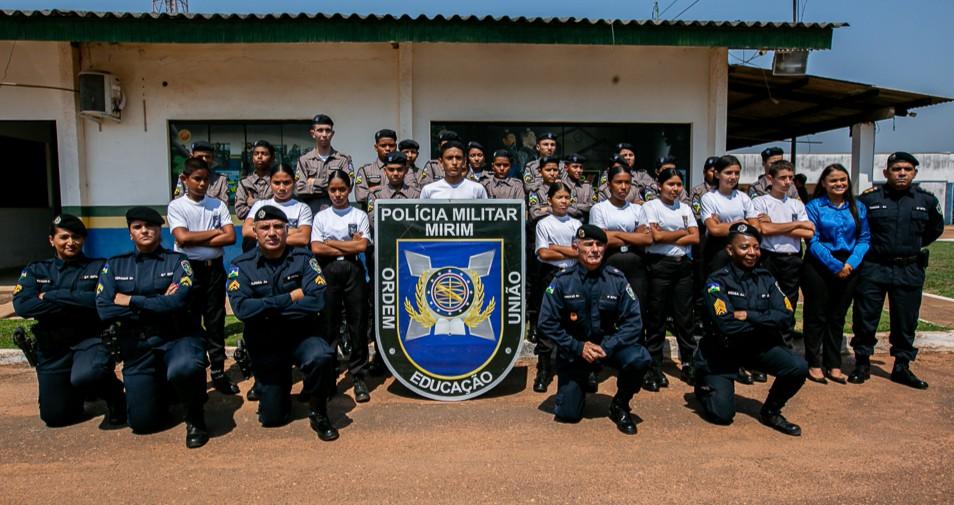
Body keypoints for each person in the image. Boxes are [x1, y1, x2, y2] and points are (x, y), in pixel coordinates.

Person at [96, 207, 210, 448]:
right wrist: (160, 300)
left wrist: (131, 300)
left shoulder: (179, 261)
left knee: (185, 368)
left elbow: (178, 302)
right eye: (138, 227)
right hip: (139, 345)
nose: (145, 231)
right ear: (130, 233)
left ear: (160, 230)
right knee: (142, 424)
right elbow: (105, 308)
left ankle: (195, 416)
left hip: (178, 337)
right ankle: (163, 394)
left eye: (150, 226)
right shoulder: (116, 266)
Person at [228, 205, 339, 440]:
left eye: (278, 226)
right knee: (272, 419)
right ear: (255, 232)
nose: (272, 232)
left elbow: (317, 301)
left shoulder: (304, 258)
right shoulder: (242, 265)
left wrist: (266, 307)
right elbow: (242, 309)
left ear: (287, 231)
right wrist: (290, 297)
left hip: (302, 335)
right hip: (266, 342)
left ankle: (318, 411)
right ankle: (274, 390)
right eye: (265, 227)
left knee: (321, 356)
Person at [12, 214, 126, 429]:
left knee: (88, 375)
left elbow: (101, 301)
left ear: (83, 240)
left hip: (89, 340)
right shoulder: (37, 270)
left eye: (76, 237)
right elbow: (23, 306)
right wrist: (79, 302)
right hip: (53, 349)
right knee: (55, 417)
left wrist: (52, 296)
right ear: (51, 240)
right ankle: (75, 393)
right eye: (64, 237)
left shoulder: (99, 267)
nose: (70, 242)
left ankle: (115, 397)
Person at [537, 224, 652, 435]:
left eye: (599, 244)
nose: (594, 249)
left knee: (639, 357)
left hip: (607, 347)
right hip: (575, 351)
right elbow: (545, 323)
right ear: (576, 247)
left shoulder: (616, 280)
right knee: (568, 414)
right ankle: (580, 383)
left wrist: (607, 346)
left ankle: (620, 404)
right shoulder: (562, 281)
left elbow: (634, 321)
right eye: (588, 244)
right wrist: (578, 347)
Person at [694, 223, 807, 436]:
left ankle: (771, 411)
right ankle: (703, 381)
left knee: (798, 367)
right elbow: (726, 324)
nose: (752, 253)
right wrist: (765, 318)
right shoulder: (717, 281)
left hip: (757, 347)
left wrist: (748, 314)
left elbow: (786, 315)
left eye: (756, 247)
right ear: (730, 250)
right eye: (744, 247)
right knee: (722, 416)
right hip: (723, 351)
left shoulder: (767, 279)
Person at [849, 152, 944, 388]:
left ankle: (902, 366)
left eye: (907, 169)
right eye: (896, 169)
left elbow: (935, 229)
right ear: (886, 173)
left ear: (914, 173)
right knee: (865, 316)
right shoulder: (869, 200)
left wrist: (910, 247)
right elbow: (857, 228)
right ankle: (862, 363)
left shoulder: (926, 201)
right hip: (874, 267)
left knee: (906, 319)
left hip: (909, 268)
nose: (902, 173)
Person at [167, 157, 238, 395]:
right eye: (197, 179)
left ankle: (218, 370)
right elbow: (182, 239)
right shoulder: (177, 206)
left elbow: (230, 237)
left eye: (206, 179)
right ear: (185, 179)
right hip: (188, 270)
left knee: (215, 320)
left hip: (214, 269)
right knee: (188, 320)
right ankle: (193, 369)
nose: (202, 184)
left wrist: (196, 235)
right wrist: (214, 232)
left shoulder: (217, 205)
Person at [802, 163, 869, 384]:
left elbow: (864, 239)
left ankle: (834, 364)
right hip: (819, 265)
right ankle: (813, 362)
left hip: (849, 266)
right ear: (824, 183)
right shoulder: (814, 206)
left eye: (843, 180)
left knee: (837, 316)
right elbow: (812, 240)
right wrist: (834, 265)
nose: (839, 184)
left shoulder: (857, 207)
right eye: (833, 180)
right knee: (816, 315)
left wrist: (850, 263)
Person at [310, 170, 373, 403]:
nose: (338, 194)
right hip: (327, 271)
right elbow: (317, 249)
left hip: (353, 270)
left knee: (357, 322)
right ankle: (329, 375)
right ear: (328, 191)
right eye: (333, 190)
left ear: (349, 190)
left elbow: (362, 247)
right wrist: (349, 244)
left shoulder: (359, 214)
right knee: (329, 323)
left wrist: (333, 242)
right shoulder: (321, 217)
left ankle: (358, 375)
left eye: (342, 189)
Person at [588, 165, 653, 386]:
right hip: (609, 265)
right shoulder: (599, 208)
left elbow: (647, 239)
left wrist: (614, 234)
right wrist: (631, 235)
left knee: (637, 314)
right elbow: (600, 241)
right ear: (609, 184)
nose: (623, 187)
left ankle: (638, 364)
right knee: (604, 314)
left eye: (627, 182)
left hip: (635, 267)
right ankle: (596, 364)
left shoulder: (637, 209)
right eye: (619, 182)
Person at [700, 155, 762, 384]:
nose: (733, 177)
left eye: (736, 173)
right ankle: (722, 362)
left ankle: (745, 362)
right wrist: (741, 225)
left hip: (742, 258)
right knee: (720, 307)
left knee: (742, 306)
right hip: (717, 256)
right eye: (728, 173)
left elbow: (756, 226)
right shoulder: (709, 198)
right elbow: (713, 230)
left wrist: (729, 226)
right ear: (717, 174)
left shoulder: (744, 198)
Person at [642, 168, 700, 385]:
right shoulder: (651, 207)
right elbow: (655, 237)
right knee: (656, 318)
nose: (675, 189)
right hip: (659, 266)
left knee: (684, 318)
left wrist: (669, 236)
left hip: (683, 266)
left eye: (678, 185)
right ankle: (654, 365)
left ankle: (688, 363)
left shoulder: (685, 208)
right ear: (659, 185)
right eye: (670, 185)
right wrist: (682, 233)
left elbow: (695, 238)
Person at [752, 160, 814, 347]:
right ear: (771, 178)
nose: (787, 182)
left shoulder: (796, 205)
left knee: (789, 303)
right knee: (764, 301)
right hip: (769, 257)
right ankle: (763, 347)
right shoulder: (760, 202)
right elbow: (763, 230)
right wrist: (795, 224)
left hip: (792, 259)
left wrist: (775, 225)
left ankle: (784, 344)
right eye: (782, 178)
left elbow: (809, 232)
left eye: (790, 178)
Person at [531, 182, 583, 393]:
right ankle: (544, 368)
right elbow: (543, 254)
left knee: (574, 320)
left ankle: (580, 369)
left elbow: (581, 252)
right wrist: (568, 250)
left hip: (573, 275)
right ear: (550, 200)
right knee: (548, 320)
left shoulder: (576, 224)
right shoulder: (544, 224)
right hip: (551, 274)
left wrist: (557, 248)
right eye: (559, 197)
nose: (563, 201)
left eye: (566, 197)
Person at [294, 114, 354, 214]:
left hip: (338, 211)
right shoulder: (304, 160)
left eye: (328, 130)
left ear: (333, 133)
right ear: (313, 133)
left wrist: (313, 181)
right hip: (311, 212)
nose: (324, 134)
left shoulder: (343, 160)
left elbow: (349, 185)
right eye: (320, 130)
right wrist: (333, 186)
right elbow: (299, 189)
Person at [243, 164, 313, 247]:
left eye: (286, 183)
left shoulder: (302, 208)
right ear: (270, 183)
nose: (282, 188)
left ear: (294, 183)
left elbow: (303, 238)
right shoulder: (260, 205)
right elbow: (246, 230)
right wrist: (293, 231)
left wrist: (265, 235)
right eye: (276, 183)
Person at [420, 141, 489, 199]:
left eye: (458, 158)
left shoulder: (477, 189)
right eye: (449, 158)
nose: (454, 162)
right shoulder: (428, 190)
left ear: (464, 161)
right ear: (441, 162)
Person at [354, 129, 398, 208]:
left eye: (391, 145)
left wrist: (374, 189)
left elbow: (409, 194)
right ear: (376, 147)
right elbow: (360, 196)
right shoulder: (365, 171)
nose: (387, 148)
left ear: (396, 146)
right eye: (383, 145)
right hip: (372, 216)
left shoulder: (404, 171)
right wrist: (391, 191)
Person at [234, 139, 276, 222]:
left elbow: (282, 208)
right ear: (252, 158)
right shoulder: (244, 183)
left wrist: (254, 203)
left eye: (264, 154)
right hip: (251, 229)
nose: (259, 156)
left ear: (272, 158)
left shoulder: (278, 181)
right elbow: (240, 213)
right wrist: (269, 204)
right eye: (256, 154)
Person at [564, 153, 595, 222]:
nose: (579, 170)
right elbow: (560, 208)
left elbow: (593, 206)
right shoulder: (561, 185)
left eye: (581, 167)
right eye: (575, 167)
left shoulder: (587, 186)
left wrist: (573, 205)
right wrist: (583, 208)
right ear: (566, 168)